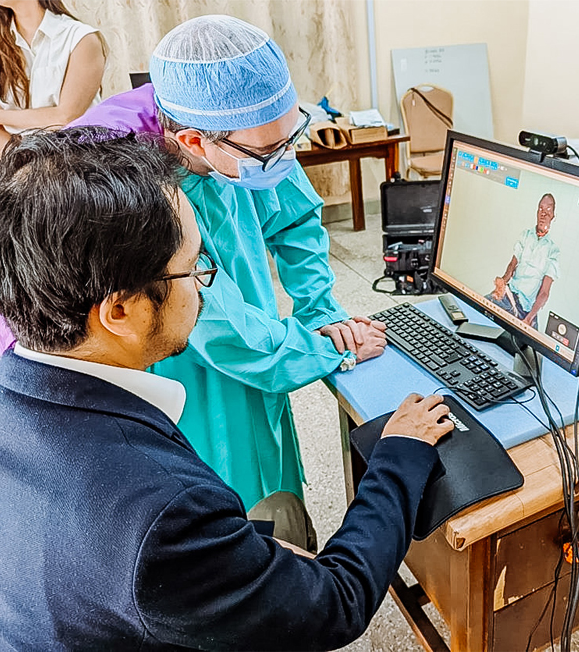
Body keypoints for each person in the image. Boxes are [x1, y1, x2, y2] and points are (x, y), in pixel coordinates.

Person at [0, 128, 454, 650]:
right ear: (121, 311)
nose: (204, 283)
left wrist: (244, 557)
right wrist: (397, 454)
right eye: (193, 267)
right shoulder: (165, 512)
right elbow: (335, 602)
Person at [60, 15, 386, 518]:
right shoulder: (129, 191)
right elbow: (218, 329)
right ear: (194, 142)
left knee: (266, 448)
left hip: (246, 329)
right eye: (268, 152)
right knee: (225, 480)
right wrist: (329, 350)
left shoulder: (239, 127)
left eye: (289, 137)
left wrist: (321, 310)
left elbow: (295, 216)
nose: (283, 159)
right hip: (174, 352)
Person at [0, 0, 105, 160]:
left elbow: (65, 117)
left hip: (79, 159)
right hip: (19, 163)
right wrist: (15, 169)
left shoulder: (81, 38)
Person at [488, 194, 559, 328]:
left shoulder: (553, 250)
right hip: (508, 296)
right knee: (480, 305)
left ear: (553, 216)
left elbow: (544, 293)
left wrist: (528, 319)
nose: (543, 213)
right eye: (541, 209)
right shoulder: (526, 235)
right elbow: (512, 266)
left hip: (525, 309)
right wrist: (502, 283)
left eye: (548, 210)